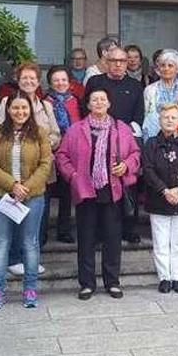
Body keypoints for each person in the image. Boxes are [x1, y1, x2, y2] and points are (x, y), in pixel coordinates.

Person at [56, 88, 140, 300]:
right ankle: (87, 284)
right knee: (86, 239)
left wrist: (127, 166)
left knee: (113, 238)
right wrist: (73, 175)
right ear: (89, 104)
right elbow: (62, 156)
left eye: (103, 99)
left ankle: (112, 282)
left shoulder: (121, 128)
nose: (99, 102)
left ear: (109, 103)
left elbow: (136, 154)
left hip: (112, 191)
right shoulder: (76, 129)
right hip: (86, 191)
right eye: (95, 99)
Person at [0, 96, 53, 309]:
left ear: (30, 110)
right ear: (8, 109)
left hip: (32, 197)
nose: (20, 111)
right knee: (1, 243)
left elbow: (45, 164)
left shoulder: (39, 132)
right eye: (15, 107)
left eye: (24, 108)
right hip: (1, 195)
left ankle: (30, 289)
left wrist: (26, 188)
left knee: (29, 243)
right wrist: (12, 185)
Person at [0, 62, 60, 274]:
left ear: (38, 80)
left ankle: (31, 258)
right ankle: (14, 259)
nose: (29, 82)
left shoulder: (46, 106)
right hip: (12, 173)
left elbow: (56, 134)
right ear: (18, 80)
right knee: (14, 216)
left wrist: (44, 144)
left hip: (40, 172)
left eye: (33, 78)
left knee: (37, 219)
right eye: (25, 78)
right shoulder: (7, 101)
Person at [81, 46, 145, 244]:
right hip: (97, 139)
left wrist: (125, 136)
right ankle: (100, 232)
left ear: (127, 63)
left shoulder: (135, 85)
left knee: (128, 185)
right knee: (101, 187)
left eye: (122, 61)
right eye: (114, 60)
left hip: (124, 142)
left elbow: (139, 115)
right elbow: (85, 108)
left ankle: (129, 228)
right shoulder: (95, 82)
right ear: (106, 61)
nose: (118, 64)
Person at [142, 104, 178, 294]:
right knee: (160, 241)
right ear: (159, 120)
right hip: (159, 199)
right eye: (166, 117)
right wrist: (164, 190)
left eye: (173, 117)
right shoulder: (151, 143)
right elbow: (148, 170)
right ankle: (164, 277)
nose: (169, 120)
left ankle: (177, 277)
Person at [45, 65, 81, 244]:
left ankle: (64, 230)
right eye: (56, 80)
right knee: (46, 192)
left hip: (71, 153)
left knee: (67, 194)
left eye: (64, 80)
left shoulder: (76, 101)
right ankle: (41, 232)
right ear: (50, 82)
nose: (60, 83)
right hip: (50, 153)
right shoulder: (45, 102)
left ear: (69, 82)